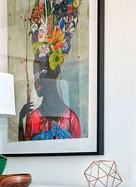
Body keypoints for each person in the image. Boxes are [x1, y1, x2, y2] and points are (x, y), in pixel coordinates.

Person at [18, 0, 82, 141]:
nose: (36, 82)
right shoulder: (32, 118)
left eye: (41, 74)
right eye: (35, 76)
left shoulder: (71, 119)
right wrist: (20, 123)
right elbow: (25, 148)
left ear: (57, 77)